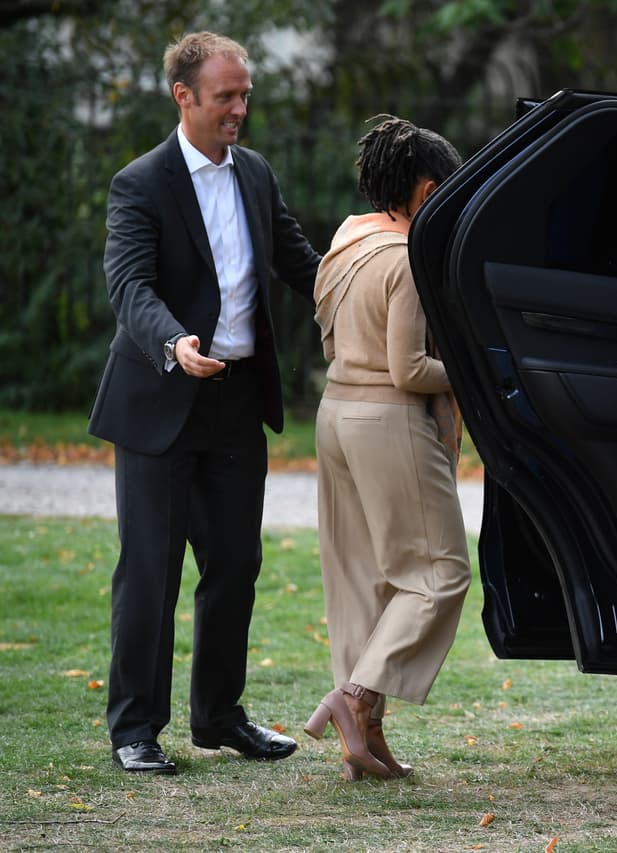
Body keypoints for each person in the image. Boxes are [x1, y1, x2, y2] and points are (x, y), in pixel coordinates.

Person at [89, 31, 321, 774]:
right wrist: (174, 341)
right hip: (160, 400)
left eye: (245, 94)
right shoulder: (140, 183)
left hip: (235, 404)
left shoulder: (255, 174)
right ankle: (135, 728)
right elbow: (130, 285)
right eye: (226, 96)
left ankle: (220, 716)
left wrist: (368, 281)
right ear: (183, 96)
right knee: (149, 570)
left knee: (235, 564)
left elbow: (299, 262)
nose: (240, 108)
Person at [303, 116, 471, 781]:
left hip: (334, 413)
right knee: (438, 573)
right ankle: (356, 698)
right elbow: (409, 370)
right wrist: (468, 367)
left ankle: (364, 745)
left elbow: (327, 342)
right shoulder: (403, 258)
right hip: (387, 420)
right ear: (427, 191)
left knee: (361, 584)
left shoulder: (343, 244)